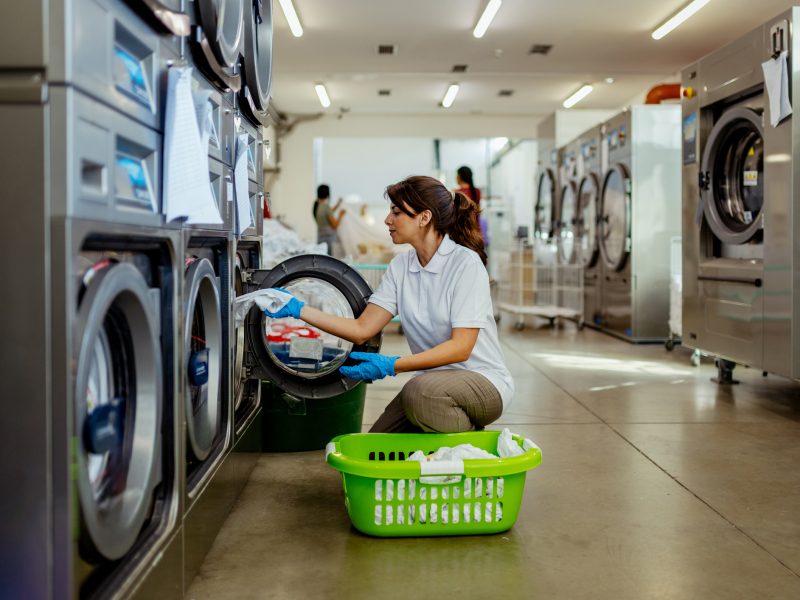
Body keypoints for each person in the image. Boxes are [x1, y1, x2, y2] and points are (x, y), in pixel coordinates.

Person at [266, 175, 513, 433]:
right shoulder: (401, 267)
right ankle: (443, 444)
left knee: (418, 394)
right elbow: (362, 329)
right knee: (375, 445)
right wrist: (298, 309)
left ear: (424, 218)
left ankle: (469, 448)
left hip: (482, 382)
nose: (387, 220)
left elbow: (461, 348)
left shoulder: (464, 264)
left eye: (396, 212)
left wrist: (391, 365)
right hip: (433, 387)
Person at [455, 166, 489, 249]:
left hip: (463, 233)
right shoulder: (476, 191)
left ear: (459, 176)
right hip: (475, 231)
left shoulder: (458, 193)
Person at [314, 184, 346, 257]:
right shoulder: (326, 207)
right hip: (329, 241)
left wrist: (337, 205)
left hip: (321, 239)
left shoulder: (317, 206)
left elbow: (329, 213)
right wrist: (340, 215)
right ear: (328, 194)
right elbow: (335, 225)